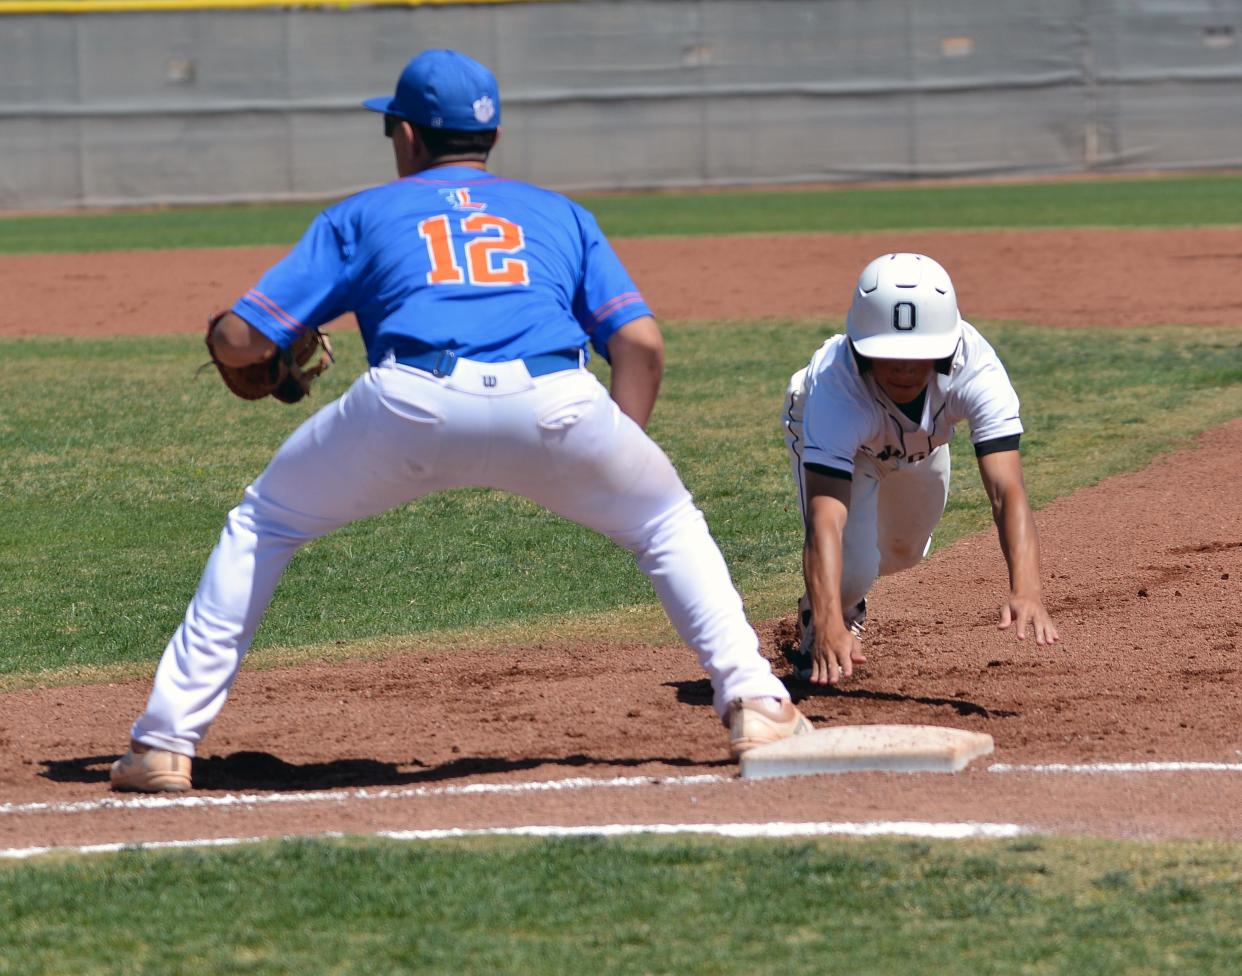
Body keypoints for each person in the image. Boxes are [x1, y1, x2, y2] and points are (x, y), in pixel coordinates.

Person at [110, 49, 809, 793]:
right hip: (557, 401)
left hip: (411, 401)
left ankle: (163, 741)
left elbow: (242, 341)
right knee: (665, 523)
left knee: (265, 525)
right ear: (492, 140)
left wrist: (228, 332)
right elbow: (639, 344)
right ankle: (757, 701)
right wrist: (618, 453)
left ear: (407, 137)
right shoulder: (561, 214)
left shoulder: (363, 214)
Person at [783, 252, 1059, 686]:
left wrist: (1026, 589)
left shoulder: (977, 370)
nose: (905, 368)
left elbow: (1006, 490)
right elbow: (825, 520)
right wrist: (828, 616)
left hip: (921, 446)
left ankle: (839, 602)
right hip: (846, 445)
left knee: (904, 551)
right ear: (858, 346)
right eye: (889, 353)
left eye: (920, 352)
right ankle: (823, 620)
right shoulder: (836, 391)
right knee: (854, 571)